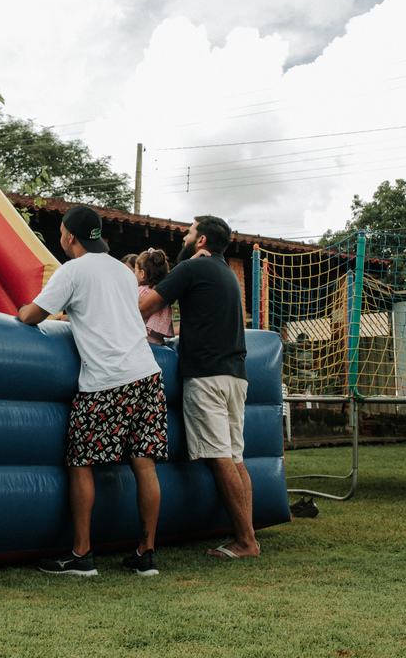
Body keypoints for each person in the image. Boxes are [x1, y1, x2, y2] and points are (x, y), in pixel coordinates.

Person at [18, 205, 167, 577]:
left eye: (63, 235)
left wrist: (21, 310)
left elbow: (32, 316)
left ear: (70, 236)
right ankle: (145, 554)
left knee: (81, 462)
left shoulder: (72, 270)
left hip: (106, 379)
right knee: (144, 464)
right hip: (147, 373)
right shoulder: (122, 269)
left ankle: (82, 555)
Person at [138, 215, 259, 559]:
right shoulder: (227, 274)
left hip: (206, 374)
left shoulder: (191, 268)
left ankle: (247, 541)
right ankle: (246, 536)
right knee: (235, 457)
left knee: (218, 457)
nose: (184, 236)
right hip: (236, 374)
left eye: (189, 232)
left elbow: (146, 305)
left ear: (202, 240)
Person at [135, 249, 174, 345]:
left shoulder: (139, 291)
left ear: (142, 274)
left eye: (135, 271)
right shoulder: (161, 294)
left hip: (142, 340)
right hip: (158, 341)